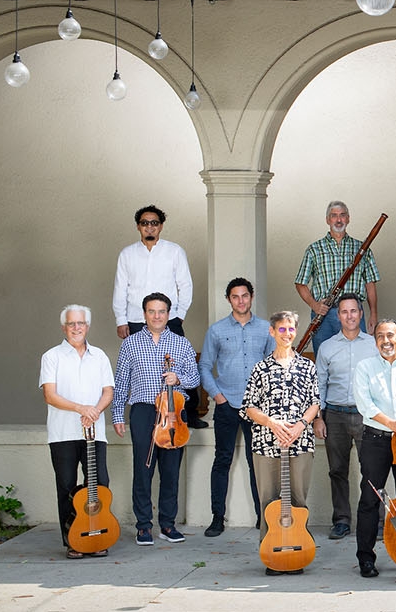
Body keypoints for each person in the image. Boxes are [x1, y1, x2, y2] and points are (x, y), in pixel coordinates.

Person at [112, 293, 200, 546]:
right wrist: (118, 414)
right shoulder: (130, 344)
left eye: (162, 311)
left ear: (169, 314)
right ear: (144, 315)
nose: (157, 316)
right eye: (152, 311)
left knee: (171, 471)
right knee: (143, 468)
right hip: (144, 410)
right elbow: (121, 382)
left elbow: (195, 379)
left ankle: (168, 525)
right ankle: (143, 526)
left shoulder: (181, 344)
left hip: (174, 412)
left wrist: (178, 379)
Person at [240, 311, 321, 576]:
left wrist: (299, 426)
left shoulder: (307, 366)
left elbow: (315, 403)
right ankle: (271, 553)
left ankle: (297, 550)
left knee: (297, 500)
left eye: (291, 329)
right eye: (281, 329)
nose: (287, 334)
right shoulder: (260, 368)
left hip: (299, 443)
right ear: (272, 332)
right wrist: (272, 423)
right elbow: (248, 407)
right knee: (268, 501)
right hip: (266, 443)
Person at [113, 205, 202, 427]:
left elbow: (185, 284)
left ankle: (188, 414)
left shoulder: (174, 251)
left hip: (169, 317)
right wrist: (120, 320)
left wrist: (180, 314)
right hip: (136, 317)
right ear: (138, 227)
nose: (149, 227)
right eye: (144, 223)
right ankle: (144, 415)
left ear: (161, 226)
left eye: (154, 222)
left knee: (181, 364)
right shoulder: (127, 254)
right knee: (139, 367)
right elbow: (120, 288)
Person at [199, 277, 274, 537]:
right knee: (222, 460)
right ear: (228, 299)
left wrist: (265, 400)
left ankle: (262, 517)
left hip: (257, 408)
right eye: (235, 296)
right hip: (227, 404)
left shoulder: (266, 329)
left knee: (258, 463)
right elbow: (205, 366)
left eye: (244, 295)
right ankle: (217, 517)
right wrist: (217, 395)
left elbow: (273, 367)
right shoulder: (217, 330)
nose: (240, 300)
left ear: (251, 297)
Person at [39, 305, 115, 559]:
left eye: (80, 323)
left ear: (88, 326)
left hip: (95, 434)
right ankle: (72, 540)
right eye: (71, 324)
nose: (76, 328)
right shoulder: (52, 356)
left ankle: (98, 536)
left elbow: (108, 392)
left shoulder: (100, 356)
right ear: (64, 327)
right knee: (67, 486)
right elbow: (50, 395)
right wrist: (80, 408)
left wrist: (94, 411)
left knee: (100, 484)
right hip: (63, 434)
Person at [351, 318, 396, 578]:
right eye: (380, 336)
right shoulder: (364, 367)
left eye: (391, 335)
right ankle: (366, 558)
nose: (386, 341)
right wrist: (392, 423)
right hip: (377, 439)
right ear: (375, 341)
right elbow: (365, 405)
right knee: (371, 499)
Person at [313, 293, 378, 541]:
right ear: (338, 316)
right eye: (344, 312)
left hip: (366, 416)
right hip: (335, 415)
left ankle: (374, 519)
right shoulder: (327, 347)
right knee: (337, 470)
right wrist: (318, 418)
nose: (349, 316)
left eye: (354, 311)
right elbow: (319, 384)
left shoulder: (373, 344)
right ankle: (341, 520)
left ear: (361, 314)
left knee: (371, 470)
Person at [295, 200, 380, 356]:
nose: (338, 219)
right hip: (324, 314)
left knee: (358, 357)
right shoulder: (314, 249)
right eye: (334, 216)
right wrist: (314, 305)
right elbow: (300, 283)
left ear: (348, 218)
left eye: (342, 215)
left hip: (353, 312)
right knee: (323, 358)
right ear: (328, 220)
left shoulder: (362, 248)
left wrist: (373, 314)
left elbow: (370, 284)